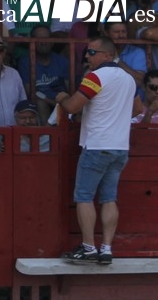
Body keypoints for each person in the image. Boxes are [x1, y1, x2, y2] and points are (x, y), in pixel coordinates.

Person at [53, 37, 137, 266]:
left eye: (91, 52)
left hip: (98, 145)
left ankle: (89, 247)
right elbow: (137, 108)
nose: (87, 57)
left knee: (84, 196)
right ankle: (106, 248)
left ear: (107, 55)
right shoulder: (129, 79)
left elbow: (72, 106)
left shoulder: (95, 77)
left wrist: (61, 96)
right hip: (120, 146)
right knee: (109, 198)